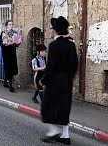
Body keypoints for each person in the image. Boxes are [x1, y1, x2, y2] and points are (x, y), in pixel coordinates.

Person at [40, 16, 78, 145]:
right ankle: (65, 136)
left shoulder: (54, 45)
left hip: (54, 81)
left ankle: (53, 131)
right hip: (66, 80)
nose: (50, 31)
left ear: (55, 30)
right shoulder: (71, 44)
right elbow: (75, 64)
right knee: (64, 106)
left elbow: (51, 66)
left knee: (47, 105)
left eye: (51, 28)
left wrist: (43, 80)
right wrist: (69, 78)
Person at [0, 20, 21, 92]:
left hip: (12, 52)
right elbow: (3, 44)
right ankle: (11, 86)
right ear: (6, 25)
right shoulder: (4, 33)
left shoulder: (15, 33)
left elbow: (17, 44)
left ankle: (5, 82)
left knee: (11, 68)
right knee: (8, 67)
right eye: (9, 24)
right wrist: (10, 43)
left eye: (12, 24)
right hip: (6, 53)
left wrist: (18, 42)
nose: (11, 25)